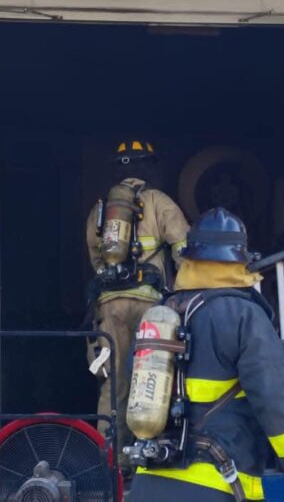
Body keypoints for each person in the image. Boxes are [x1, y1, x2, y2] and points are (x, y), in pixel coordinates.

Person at [127, 207, 284, 502]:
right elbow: (274, 395)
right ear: (240, 260)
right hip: (216, 482)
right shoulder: (244, 314)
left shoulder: (161, 315)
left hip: (149, 479)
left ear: (189, 260)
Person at [85, 140, 190, 447]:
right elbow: (183, 248)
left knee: (113, 381)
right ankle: (149, 451)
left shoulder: (101, 209)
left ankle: (110, 456)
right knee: (154, 376)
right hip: (151, 309)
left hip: (110, 308)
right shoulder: (159, 201)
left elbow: (95, 259)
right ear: (150, 167)